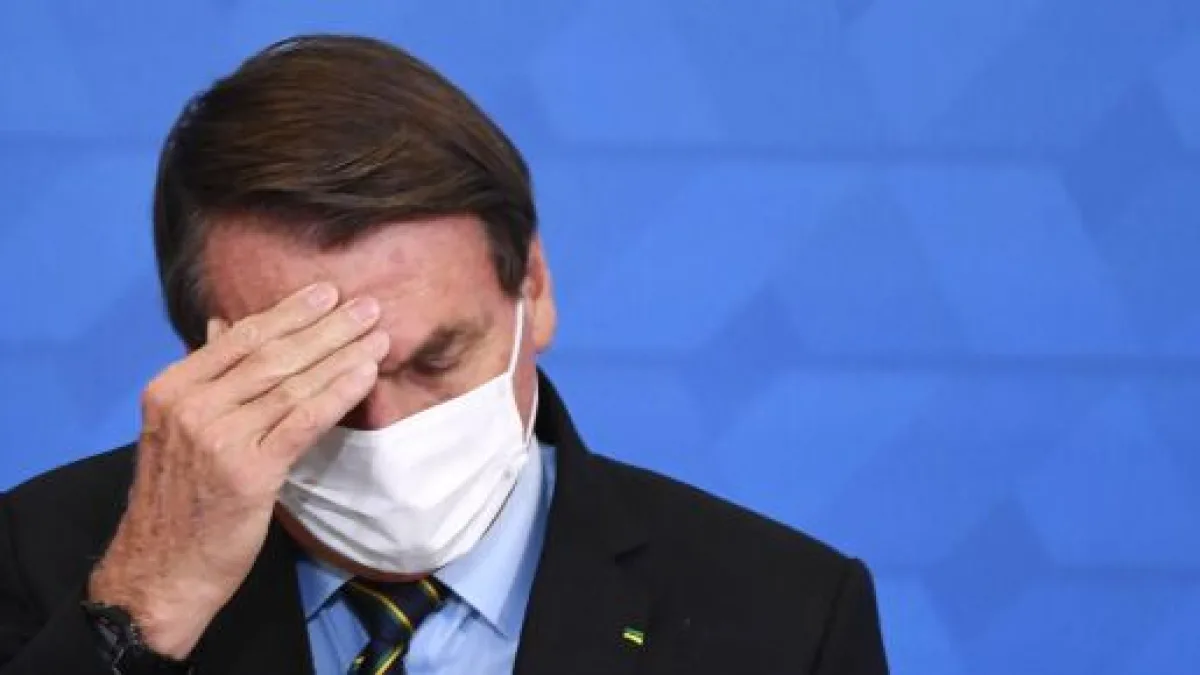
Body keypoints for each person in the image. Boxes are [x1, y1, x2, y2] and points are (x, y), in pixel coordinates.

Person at [0, 35, 888, 675]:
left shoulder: (786, 618)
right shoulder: (39, 560)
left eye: (436, 359)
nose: (384, 428)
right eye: (314, 376)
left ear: (533, 288)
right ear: (201, 353)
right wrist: (140, 613)